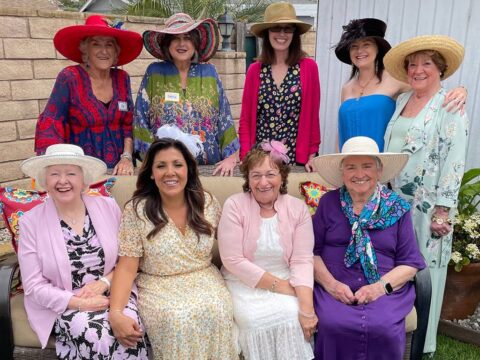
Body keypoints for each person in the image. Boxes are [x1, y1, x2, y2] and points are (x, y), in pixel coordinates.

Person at [109, 127, 237, 359]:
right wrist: (116, 312)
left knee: (218, 310)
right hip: (158, 285)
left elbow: (236, 243)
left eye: (177, 164)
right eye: (161, 166)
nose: (171, 172)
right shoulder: (136, 210)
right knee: (177, 318)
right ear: (151, 173)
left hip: (204, 278)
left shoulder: (206, 202)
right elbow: (127, 266)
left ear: (188, 168)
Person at [18, 144, 148, 359]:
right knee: (100, 337)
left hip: (115, 291)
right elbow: (33, 286)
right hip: (64, 302)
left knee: (128, 329)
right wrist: (80, 303)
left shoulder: (108, 207)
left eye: (71, 173)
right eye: (54, 174)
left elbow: (129, 259)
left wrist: (104, 283)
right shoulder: (30, 222)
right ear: (45, 181)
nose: (63, 181)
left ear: (83, 179)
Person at [383, 35, 469, 354]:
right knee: (400, 264)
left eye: (427, 64)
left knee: (427, 272)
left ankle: (425, 343)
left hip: (430, 207)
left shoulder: (450, 105)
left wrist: (444, 210)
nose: (418, 70)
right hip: (396, 203)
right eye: (413, 64)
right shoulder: (402, 100)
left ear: (440, 69)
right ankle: (400, 331)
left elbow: (455, 159)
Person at [311, 136, 426, 360]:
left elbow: (410, 263)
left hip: (384, 285)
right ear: (342, 173)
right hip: (334, 284)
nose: (359, 174)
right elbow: (310, 253)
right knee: (333, 325)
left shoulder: (397, 208)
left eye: (367, 166)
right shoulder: (328, 202)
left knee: (384, 328)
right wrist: (332, 285)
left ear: (379, 171)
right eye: (351, 167)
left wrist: (379, 288)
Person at [218, 140, 316, 359]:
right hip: (243, 283)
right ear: (248, 179)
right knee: (254, 319)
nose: (263, 182)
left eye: (270, 174)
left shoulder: (297, 208)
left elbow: (302, 260)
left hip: (288, 277)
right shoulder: (235, 205)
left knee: (292, 315)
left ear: (282, 176)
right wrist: (281, 286)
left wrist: (307, 309)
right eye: (256, 175)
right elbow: (232, 259)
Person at [334, 18, 467, 151]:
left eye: (366, 44)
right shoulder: (346, 88)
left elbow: (428, 87)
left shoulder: (395, 79)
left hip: (382, 163)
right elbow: (340, 131)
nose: (359, 51)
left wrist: (462, 90)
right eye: (354, 46)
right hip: (349, 163)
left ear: (377, 48)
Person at [34, 15, 143, 175]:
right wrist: (58, 170)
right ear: (85, 49)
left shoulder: (122, 78)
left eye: (109, 44)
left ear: (116, 51)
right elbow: (52, 124)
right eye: (96, 44)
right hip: (81, 172)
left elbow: (127, 124)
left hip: (119, 169)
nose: (104, 51)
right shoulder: (70, 77)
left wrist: (126, 157)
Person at [134, 13, 240, 176]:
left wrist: (231, 157)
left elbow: (223, 117)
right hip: (167, 170)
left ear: (195, 42)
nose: (182, 43)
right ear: (167, 43)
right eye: (175, 38)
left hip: (207, 168)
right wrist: (150, 161)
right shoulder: (154, 72)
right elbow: (140, 118)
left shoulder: (209, 72)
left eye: (188, 37)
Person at [238, 2, 320, 172]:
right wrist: (245, 156)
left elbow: (313, 116)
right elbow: (245, 118)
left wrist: (312, 155)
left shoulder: (309, 68)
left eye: (287, 29)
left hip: (295, 159)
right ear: (267, 32)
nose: (281, 34)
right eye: (276, 28)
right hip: (260, 160)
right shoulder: (255, 70)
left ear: (294, 34)